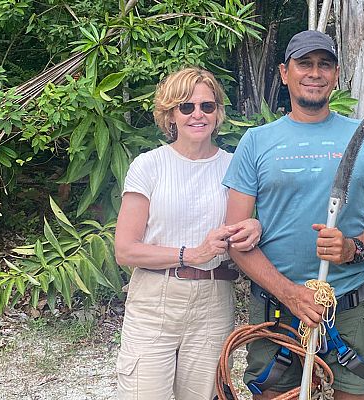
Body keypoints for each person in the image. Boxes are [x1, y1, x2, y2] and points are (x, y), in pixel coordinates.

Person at [222, 30, 364, 400]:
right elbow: (235, 241)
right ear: (285, 73)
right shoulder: (257, 141)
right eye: (304, 64)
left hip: (346, 304)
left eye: (324, 65)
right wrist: (291, 294)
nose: (314, 73)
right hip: (276, 305)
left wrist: (353, 247)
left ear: (336, 75)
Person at [113, 67, 262, 400]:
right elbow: (125, 250)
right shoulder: (148, 166)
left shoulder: (236, 166)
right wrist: (190, 254)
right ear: (170, 115)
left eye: (207, 106)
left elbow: (252, 225)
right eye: (186, 106)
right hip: (155, 297)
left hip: (214, 298)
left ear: (218, 113)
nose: (198, 114)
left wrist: (256, 226)